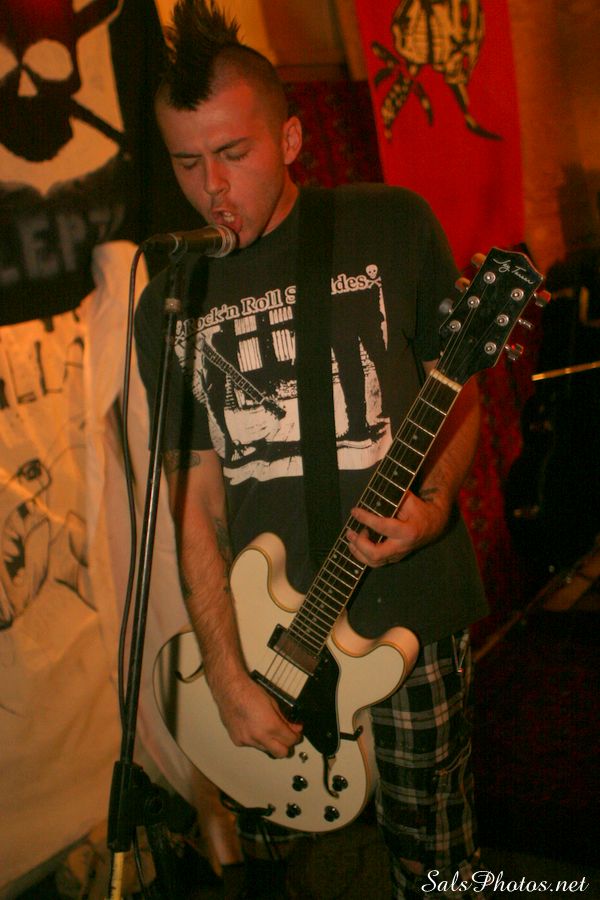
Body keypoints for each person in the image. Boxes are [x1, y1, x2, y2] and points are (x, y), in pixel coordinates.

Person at [134, 1, 489, 897]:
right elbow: (193, 504)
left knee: (437, 861)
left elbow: (462, 395)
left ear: (291, 138)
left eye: (233, 152)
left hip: (408, 612)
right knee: (294, 876)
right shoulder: (171, 299)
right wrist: (224, 675)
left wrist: (435, 504)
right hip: (265, 647)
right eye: (187, 162)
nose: (212, 188)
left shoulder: (390, 225)